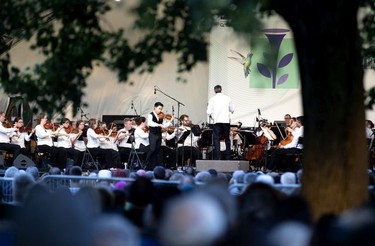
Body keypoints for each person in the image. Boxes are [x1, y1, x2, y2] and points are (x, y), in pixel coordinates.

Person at [206, 85, 235, 160]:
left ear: (214, 91)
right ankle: (228, 157)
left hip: (217, 121)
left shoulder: (212, 99)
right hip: (225, 121)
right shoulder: (227, 98)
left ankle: (218, 157)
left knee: (216, 139)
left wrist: (213, 116)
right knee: (227, 138)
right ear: (221, 90)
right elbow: (232, 109)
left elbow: (208, 111)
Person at [147, 102, 173, 167]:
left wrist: (170, 121)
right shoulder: (150, 115)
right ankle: (146, 164)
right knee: (152, 149)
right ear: (155, 107)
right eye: (159, 108)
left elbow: (164, 126)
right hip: (153, 134)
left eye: (161, 109)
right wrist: (158, 124)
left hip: (159, 135)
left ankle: (155, 165)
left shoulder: (161, 117)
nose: (160, 110)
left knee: (158, 150)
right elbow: (150, 123)